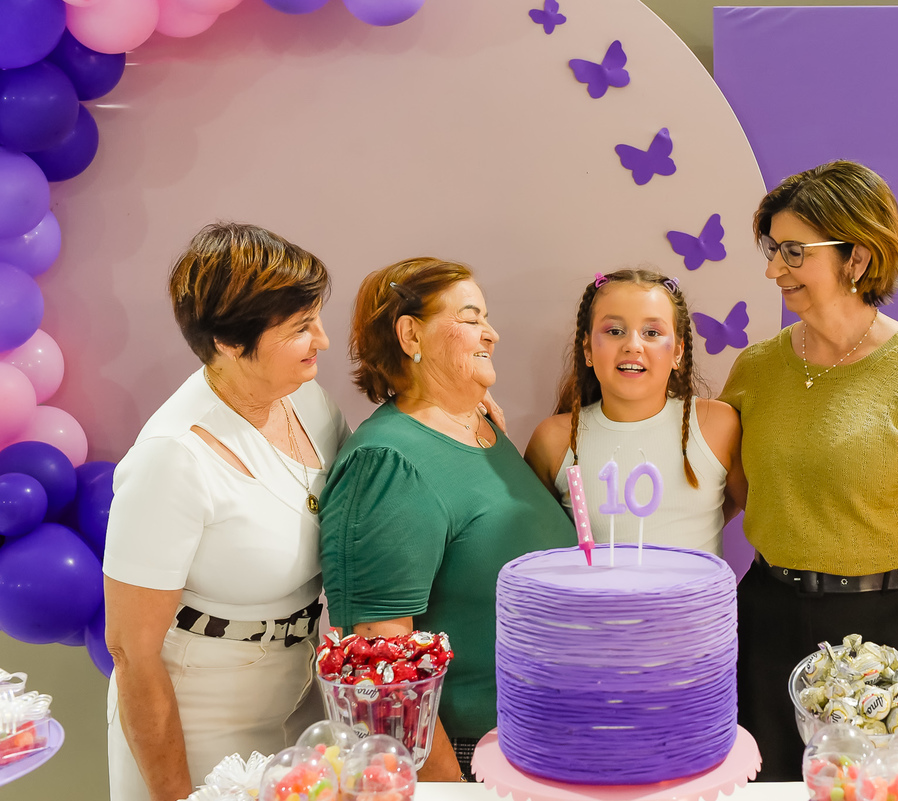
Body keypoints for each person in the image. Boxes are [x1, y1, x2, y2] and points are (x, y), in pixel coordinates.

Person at [721, 161, 898, 779]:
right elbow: (719, 493)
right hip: (766, 624)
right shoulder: (754, 370)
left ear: (858, 257)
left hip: (887, 637)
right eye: (772, 250)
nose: (773, 269)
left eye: (794, 252)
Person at [103, 223, 349, 801]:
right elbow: (132, 651)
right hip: (198, 714)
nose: (322, 339)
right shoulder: (172, 457)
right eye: (300, 328)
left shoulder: (307, 398)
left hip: (304, 691)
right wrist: (175, 793)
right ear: (230, 342)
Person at [318, 257, 575, 781]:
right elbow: (380, 663)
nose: (492, 334)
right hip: (468, 757)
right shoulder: (388, 462)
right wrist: (451, 789)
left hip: (538, 740)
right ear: (411, 334)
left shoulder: (480, 429)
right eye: (471, 317)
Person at [525, 268, 741, 555]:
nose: (632, 345)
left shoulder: (718, 425)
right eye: (615, 331)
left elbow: (741, 508)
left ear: (678, 351)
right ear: (587, 348)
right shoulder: (553, 440)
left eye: (652, 332)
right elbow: (535, 541)